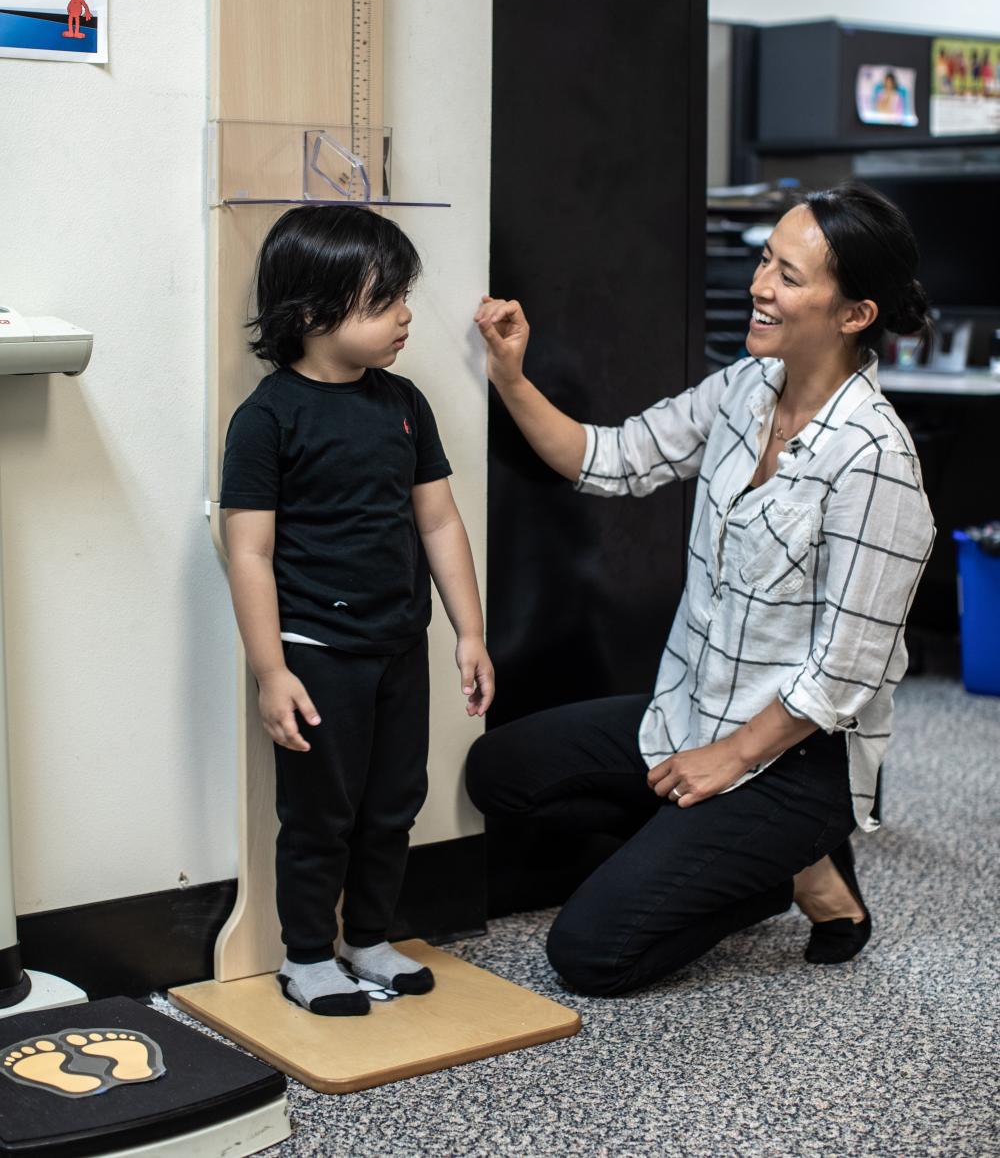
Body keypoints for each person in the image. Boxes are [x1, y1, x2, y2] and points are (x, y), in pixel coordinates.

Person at [466, 181, 935, 997]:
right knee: (499, 771)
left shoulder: (875, 460)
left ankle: (774, 868)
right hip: (688, 710)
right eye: (764, 261)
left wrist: (729, 761)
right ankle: (766, 861)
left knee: (589, 954)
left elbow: (845, 674)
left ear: (855, 314)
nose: (759, 285)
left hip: (793, 755)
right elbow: (610, 459)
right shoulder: (746, 388)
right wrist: (510, 375)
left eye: (788, 276)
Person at [221, 206, 494, 1016]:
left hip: (398, 645)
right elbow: (248, 552)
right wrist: (271, 671)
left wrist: (470, 632)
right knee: (319, 814)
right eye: (385, 301)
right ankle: (305, 956)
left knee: (391, 805)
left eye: (403, 296)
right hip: (314, 651)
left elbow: (439, 520)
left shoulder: (403, 403)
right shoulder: (267, 419)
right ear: (311, 315)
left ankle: (367, 939)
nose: (407, 314)